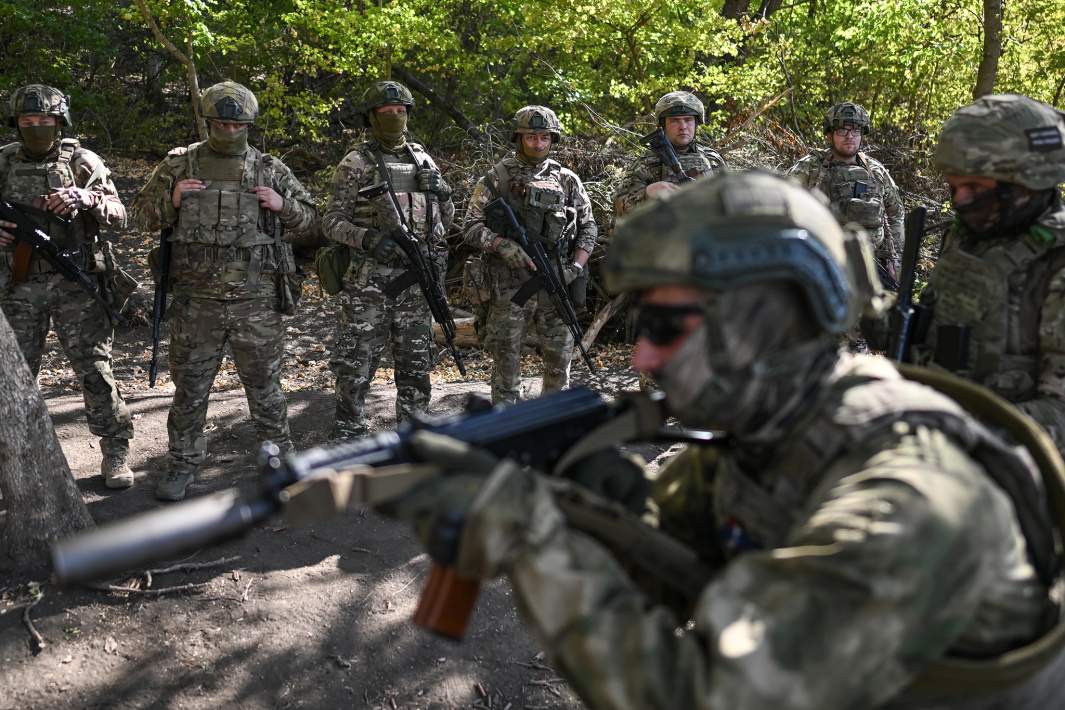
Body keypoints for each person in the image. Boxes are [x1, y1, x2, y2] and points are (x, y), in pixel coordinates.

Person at [381, 171, 1065, 709]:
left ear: (763, 323)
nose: (642, 360)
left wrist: (532, 538)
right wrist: (591, 495)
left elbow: (706, 695)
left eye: (664, 326)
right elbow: (674, 569)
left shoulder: (911, 498)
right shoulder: (778, 425)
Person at [132, 80, 316, 501]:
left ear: (248, 125)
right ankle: (182, 462)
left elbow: (314, 223)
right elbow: (140, 216)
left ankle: (281, 461)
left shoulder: (270, 170)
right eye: (221, 124)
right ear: (207, 121)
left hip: (256, 302)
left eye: (239, 126)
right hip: (197, 303)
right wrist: (171, 200)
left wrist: (283, 206)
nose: (230, 132)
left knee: (266, 389)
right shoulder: (180, 166)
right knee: (190, 390)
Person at [871, 94, 1065, 452]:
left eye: (974, 188)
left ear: (1028, 181)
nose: (959, 201)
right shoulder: (969, 236)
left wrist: (968, 435)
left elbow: (1059, 413)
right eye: (954, 185)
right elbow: (934, 338)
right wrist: (870, 312)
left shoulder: (1054, 260)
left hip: (1009, 470)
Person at [0, 84, 136, 488]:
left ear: (60, 122)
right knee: (16, 375)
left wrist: (86, 199)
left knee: (94, 369)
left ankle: (115, 450)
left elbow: (121, 215)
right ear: (17, 123)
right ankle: (20, 457)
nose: (37, 127)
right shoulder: (4, 162)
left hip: (76, 282)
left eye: (46, 121)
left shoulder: (82, 161)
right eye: (28, 121)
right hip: (18, 284)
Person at [321, 80, 455, 439]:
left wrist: (441, 191)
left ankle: (414, 434)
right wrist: (367, 238)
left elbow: (446, 221)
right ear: (372, 117)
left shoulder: (422, 158)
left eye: (400, 111)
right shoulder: (356, 162)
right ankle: (349, 433)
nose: (395, 116)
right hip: (369, 284)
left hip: (417, 281)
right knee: (356, 363)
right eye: (386, 111)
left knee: (415, 364)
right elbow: (331, 221)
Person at [464, 105, 597, 404]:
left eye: (544, 137)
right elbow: (470, 227)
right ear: (519, 138)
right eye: (531, 137)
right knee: (506, 366)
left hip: (556, 282)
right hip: (510, 287)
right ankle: (507, 428)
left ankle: (552, 426)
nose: (538, 144)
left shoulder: (567, 180)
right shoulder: (496, 178)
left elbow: (589, 228)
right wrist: (501, 245)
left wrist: (575, 267)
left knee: (559, 366)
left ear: (553, 139)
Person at [788, 101, 904, 285]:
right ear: (830, 135)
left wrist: (894, 257)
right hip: (823, 263)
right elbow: (785, 207)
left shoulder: (875, 171)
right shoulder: (810, 168)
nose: (850, 136)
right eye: (842, 131)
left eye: (855, 130)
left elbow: (896, 213)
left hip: (873, 265)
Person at [612, 90, 727, 217]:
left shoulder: (712, 159)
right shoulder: (646, 163)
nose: (682, 126)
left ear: (696, 123)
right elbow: (619, 206)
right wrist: (646, 194)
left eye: (688, 120)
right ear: (663, 125)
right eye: (675, 121)